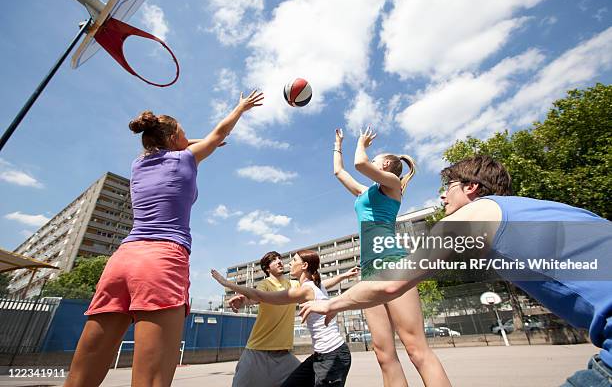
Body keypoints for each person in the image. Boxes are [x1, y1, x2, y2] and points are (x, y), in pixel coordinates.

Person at [299, 155, 612, 387]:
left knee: (415, 348)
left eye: (447, 188)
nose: (442, 196)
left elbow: (391, 284)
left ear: (471, 187)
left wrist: (332, 303)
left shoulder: (473, 215)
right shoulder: (537, 209)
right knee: (386, 354)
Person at [64, 90, 264, 387]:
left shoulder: (138, 165)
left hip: (122, 261)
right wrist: (240, 108)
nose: (189, 139)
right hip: (160, 260)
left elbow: (192, 142)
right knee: (151, 381)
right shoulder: (184, 161)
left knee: (81, 378)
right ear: (173, 141)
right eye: (184, 134)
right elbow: (218, 133)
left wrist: (195, 141)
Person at [332, 126, 451, 387]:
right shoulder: (366, 194)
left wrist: (361, 143)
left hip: (394, 264)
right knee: (383, 354)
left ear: (385, 165)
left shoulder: (393, 185)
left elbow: (360, 162)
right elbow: (340, 172)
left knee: (416, 350)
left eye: (377, 161)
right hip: (369, 271)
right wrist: (338, 145)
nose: (371, 163)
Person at [212, 250, 358, 387]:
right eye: (274, 260)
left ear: (304, 266)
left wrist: (227, 284)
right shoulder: (266, 284)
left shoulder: (296, 285)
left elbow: (320, 285)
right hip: (259, 349)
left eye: (282, 259)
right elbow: (257, 296)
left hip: (293, 353)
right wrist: (244, 301)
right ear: (267, 268)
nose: (281, 262)